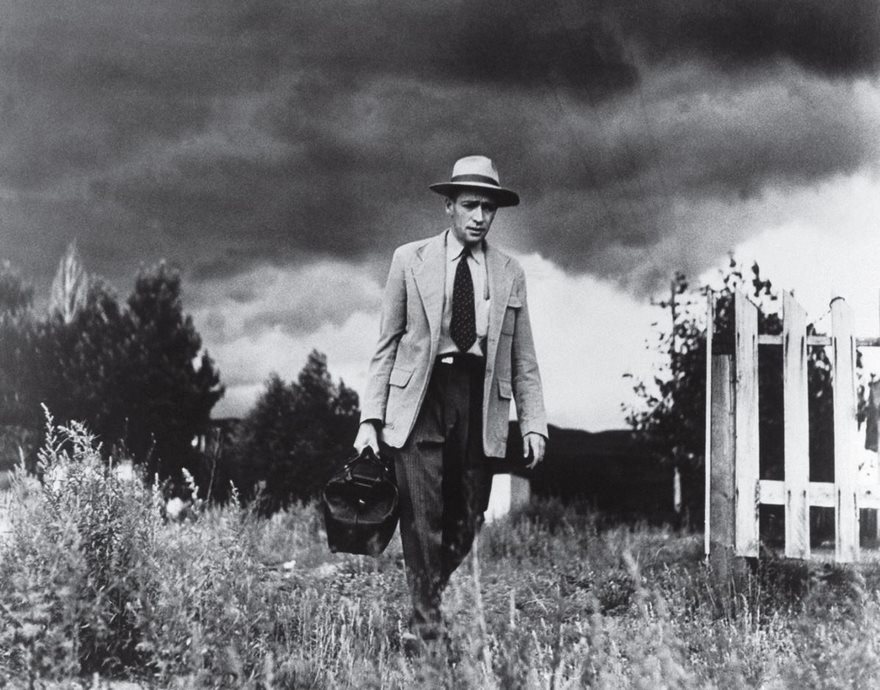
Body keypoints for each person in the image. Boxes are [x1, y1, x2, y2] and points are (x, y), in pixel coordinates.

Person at [353, 154, 547, 646]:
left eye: (488, 208)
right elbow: (386, 343)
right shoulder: (408, 259)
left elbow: (523, 356)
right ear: (449, 206)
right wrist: (370, 418)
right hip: (420, 398)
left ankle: (425, 598)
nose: (479, 217)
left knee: (469, 516)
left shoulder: (510, 272)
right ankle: (428, 632)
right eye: (469, 205)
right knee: (422, 516)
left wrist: (533, 423)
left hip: (480, 399)